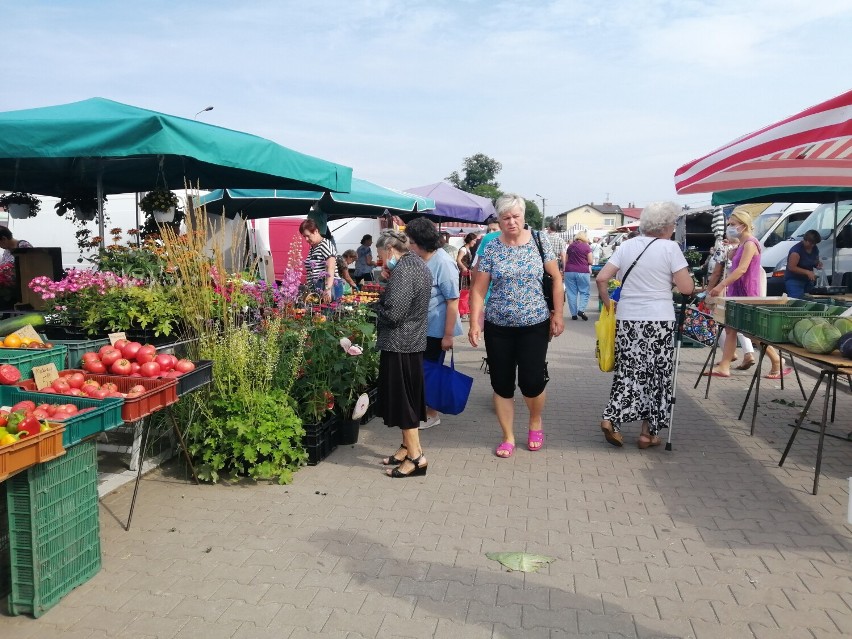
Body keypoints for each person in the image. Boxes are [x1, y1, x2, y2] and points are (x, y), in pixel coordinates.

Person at [468, 193, 564, 458]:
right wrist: (475, 322)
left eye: (516, 216)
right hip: (498, 326)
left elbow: (556, 279)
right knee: (501, 384)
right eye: (505, 217)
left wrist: (558, 314)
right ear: (498, 220)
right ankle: (508, 436)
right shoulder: (490, 248)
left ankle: (535, 420)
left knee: (532, 382)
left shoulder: (539, 240)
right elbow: (478, 290)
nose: (511, 222)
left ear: (524, 216)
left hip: (535, 323)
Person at [595, 201, 697, 449]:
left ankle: (612, 418)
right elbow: (686, 289)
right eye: (673, 224)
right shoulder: (670, 248)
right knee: (657, 376)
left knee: (629, 372)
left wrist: (609, 305)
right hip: (659, 321)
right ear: (665, 226)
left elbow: (601, 278)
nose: (673, 228)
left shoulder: (627, 245)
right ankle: (647, 434)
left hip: (628, 320)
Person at [375, 230, 433, 478]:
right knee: (408, 398)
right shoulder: (416, 262)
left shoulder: (404, 270)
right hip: (413, 340)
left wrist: (375, 305)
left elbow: (393, 313)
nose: (381, 261)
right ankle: (405, 448)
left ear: (389, 250)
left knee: (404, 402)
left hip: (400, 342)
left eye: (380, 256)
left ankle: (416, 457)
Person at [707, 210, 790, 379]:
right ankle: (724, 366)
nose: (729, 227)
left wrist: (720, 286)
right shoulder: (742, 244)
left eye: (732, 224)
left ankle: (777, 361)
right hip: (737, 292)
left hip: (747, 293)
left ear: (743, 225)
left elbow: (742, 269)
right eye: (729, 224)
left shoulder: (750, 243)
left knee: (751, 333)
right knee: (731, 329)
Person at [405, 217, 463, 430]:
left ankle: (432, 413)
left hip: (437, 330)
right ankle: (424, 409)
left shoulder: (443, 263)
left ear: (420, 242)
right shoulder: (421, 259)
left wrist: (448, 335)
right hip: (422, 327)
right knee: (422, 370)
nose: (409, 245)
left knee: (431, 371)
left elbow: (452, 301)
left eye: (411, 241)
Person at [706, 237, 756, 370]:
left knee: (720, 321)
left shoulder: (724, 248)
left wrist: (709, 291)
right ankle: (748, 353)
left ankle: (729, 354)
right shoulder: (743, 247)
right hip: (739, 290)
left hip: (722, 290)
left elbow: (716, 272)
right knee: (738, 325)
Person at [299, 219, 337, 303]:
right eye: (304, 236)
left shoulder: (325, 244)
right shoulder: (314, 247)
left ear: (316, 231)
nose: (306, 239)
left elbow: (330, 267)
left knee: (326, 314)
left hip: (327, 286)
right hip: (318, 287)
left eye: (308, 235)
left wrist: (328, 289)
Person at [784, 230, 823, 299]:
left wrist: (818, 264)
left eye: (815, 243)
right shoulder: (796, 251)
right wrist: (807, 272)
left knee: (809, 300)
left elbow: (815, 260)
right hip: (794, 281)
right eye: (811, 243)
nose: (813, 245)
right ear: (806, 240)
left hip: (808, 281)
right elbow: (792, 267)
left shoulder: (814, 248)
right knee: (797, 302)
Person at [564, 231, 593, 321]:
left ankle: (573, 314)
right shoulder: (586, 246)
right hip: (582, 271)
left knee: (571, 293)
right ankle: (581, 310)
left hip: (569, 271)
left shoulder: (570, 246)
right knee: (584, 291)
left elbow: (566, 259)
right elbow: (590, 261)